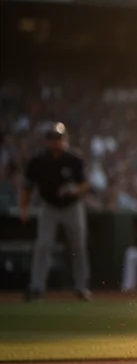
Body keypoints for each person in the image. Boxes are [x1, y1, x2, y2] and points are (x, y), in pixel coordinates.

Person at [20, 123, 91, 301]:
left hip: (72, 207)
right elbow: (27, 187)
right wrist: (24, 208)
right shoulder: (38, 161)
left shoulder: (74, 159)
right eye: (52, 139)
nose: (55, 142)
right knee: (43, 245)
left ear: (65, 139)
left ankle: (81, 287)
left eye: (58, 138)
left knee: (78, 247)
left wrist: (75, 190)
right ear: (47, 141)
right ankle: (37, 286)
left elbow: (86, 184)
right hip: (49, 206)